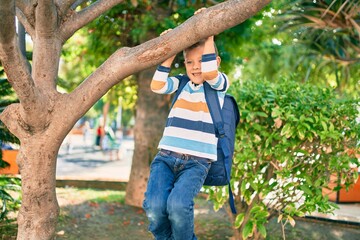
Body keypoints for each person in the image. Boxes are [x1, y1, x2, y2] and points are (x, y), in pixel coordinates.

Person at [143, 14, 229, 240]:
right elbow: (157, 85)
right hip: (166, 158)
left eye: (201, 60)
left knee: (179, 207)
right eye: (190, 62)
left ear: (215, 61)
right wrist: (171, 49)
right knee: (154, 207)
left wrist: (209, 34)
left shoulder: (218, 85)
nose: (195, 67)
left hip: (197, 163)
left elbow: (210, 73)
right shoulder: (181, 83)